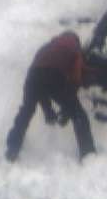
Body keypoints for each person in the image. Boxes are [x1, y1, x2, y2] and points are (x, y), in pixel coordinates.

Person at [6, 30, 95, 162]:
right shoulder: (75, 49)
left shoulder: (46, 47)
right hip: (54, 75)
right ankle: (88, 154)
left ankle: (12, 148)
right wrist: (68, 108)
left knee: (26, 111)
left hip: (33, 77)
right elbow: (75, 78)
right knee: (78, 114)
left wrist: (48, 111)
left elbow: (40, 84)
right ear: (76, 40)